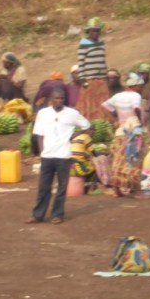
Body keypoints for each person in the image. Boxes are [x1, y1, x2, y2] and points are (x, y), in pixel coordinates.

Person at [27, 89, 90, 224]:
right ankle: (37, 215)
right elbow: (39, 134)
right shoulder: (43, 113)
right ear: (51, 99)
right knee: (44, 187)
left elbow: (87, 125)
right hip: (47, 156)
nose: (59, 101)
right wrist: (42, 152)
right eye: (56, 98)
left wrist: (74, 136)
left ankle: (57, 215)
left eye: (62, 98)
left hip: (64, 156)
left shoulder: (72, 113)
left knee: (61, 188)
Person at [103, 72, 145, 197]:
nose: (142, 89)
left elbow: (104, 106)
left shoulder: (118, 96)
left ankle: (117, 189)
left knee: (118, 159)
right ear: (135, 86)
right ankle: (135, 190)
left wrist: (115, 120)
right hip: (133, 130)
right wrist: (138, 120)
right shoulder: (136, 95)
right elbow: (136, 108)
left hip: (120, 131)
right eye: (141, 86)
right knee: (134, 159)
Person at [76, 17, 109, 121]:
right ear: (89, 31)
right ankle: (89, 121)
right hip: (89, 79)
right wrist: (82, 79)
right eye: (93, 31)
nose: (96, 33)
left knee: (103, 102)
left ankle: (103, 121)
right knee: (88, 102)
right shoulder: (84, 44)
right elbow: (81, 62)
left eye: (98, 31)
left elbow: (103, 60)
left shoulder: (101, 42)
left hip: (101, 78)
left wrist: (105, 75)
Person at [70, 127, 97, 192]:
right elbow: (92, 151)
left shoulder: (77, 137)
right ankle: (90, 188)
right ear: (89, 130)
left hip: (71, 160)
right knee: (95, 168)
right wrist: (100, 155)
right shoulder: (86, 137)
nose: (94, 133)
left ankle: (86, 186)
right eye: (93, 130)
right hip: (79, 161)